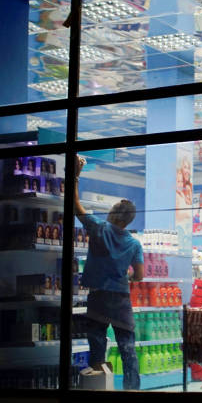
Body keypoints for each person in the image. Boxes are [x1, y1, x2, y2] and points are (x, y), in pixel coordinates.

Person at [73, 155, 144, 390]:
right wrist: (129, 277)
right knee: (127, 347)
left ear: (113, 214)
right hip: (121, 299)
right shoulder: (134, 244)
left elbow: (77, 208)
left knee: (96, 343)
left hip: (98, 296)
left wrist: (75, 177)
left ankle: (98, 389)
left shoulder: (99, 228)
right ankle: (132, 390)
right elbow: (140, 276)